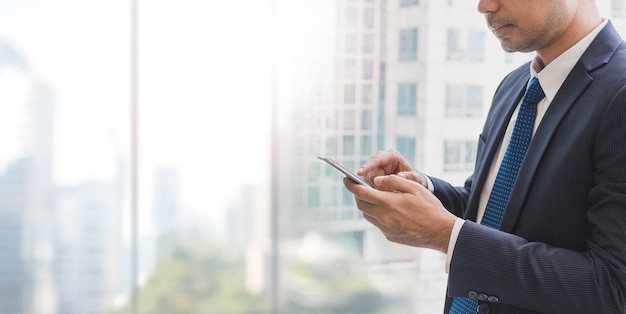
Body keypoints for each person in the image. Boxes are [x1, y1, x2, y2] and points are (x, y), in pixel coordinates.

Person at [343, 0, 626, 313]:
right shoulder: (515, 84)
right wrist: (424, 191)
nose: (484, 6)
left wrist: (447, 236)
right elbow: (490, 209)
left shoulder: (621, 91)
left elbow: (613, 287)